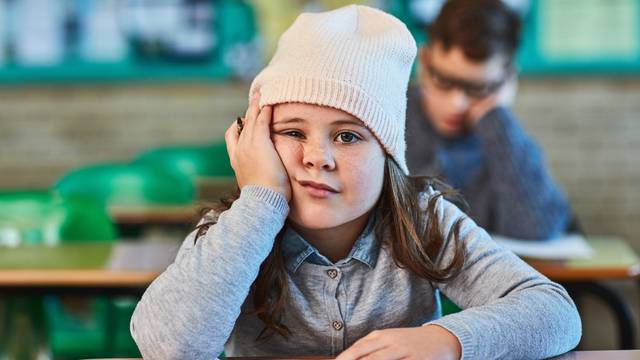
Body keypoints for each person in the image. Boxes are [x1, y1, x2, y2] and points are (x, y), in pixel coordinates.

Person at [130, 5, 581, 359]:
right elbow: (169, 348)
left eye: (347, 136)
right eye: (291, 132)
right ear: (253, 140)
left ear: (388, 155)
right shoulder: (233, 230)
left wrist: (447, 339)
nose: (317, 158)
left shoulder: (425, 222)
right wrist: (259, 201)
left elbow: (556, 312)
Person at [406, 0, 571, 240]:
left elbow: (538, 229)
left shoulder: (503, 137)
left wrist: (496, 119)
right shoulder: (388, 121)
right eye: (444, 80)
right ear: (424, 62)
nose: (457, 103)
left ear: (508, 80)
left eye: (478, 89)